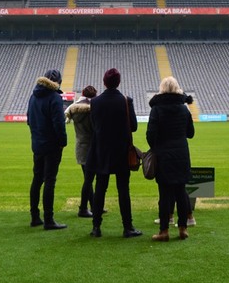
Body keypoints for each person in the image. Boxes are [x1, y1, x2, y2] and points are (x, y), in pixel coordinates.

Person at [87, 68, 141, 238]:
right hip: (121, 151)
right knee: (123, 190)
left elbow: (94, 126)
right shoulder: (126, 101)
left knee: (100, 189)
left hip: (102, 151)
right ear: (119, 82)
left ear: (104, 82)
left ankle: (96, 227)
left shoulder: (95, 102)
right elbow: (133, 126)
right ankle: (128, 227)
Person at [146, 76, 195, 242]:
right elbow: (191, 133)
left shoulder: (157, 109)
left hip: (163, 155)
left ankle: (164, 231)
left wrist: (156, 147)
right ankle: (183, 228)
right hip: (181, 154)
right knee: (181, 192)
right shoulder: (184, 109)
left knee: (165, 193)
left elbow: (150, 135)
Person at [26, 69, 68, 230]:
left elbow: (29, 119)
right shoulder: (55, 98)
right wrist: (62, 142)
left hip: (37, 144)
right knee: (50, 180)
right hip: (51, 146)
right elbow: (59, 124)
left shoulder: (33, 96)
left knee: (37, 179)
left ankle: (35, 217)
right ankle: (49, 219)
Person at [65, 85, 97, 218]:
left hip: (81, 146)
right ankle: (83, 208)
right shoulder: (93, 110)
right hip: (93, 146)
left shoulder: (74, 109)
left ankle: (94, 205)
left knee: (87, 177)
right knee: (89, 179)